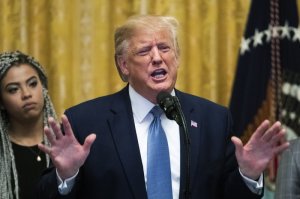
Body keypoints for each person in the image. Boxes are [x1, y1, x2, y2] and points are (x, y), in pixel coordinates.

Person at [36, 15, 289, 199]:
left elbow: (229, 195)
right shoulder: (85, 121)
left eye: (165, 48)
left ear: (176, 57)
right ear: (123, 65)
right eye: (144, 51)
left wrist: (248, 174)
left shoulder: (213, 119)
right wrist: (67, 177)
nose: (157, 57)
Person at [0, 50, 57, 199]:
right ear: (1, 102)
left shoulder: (67, 142)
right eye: (13, 89)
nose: (26, 94)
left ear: (43, 88)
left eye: (32, 84)